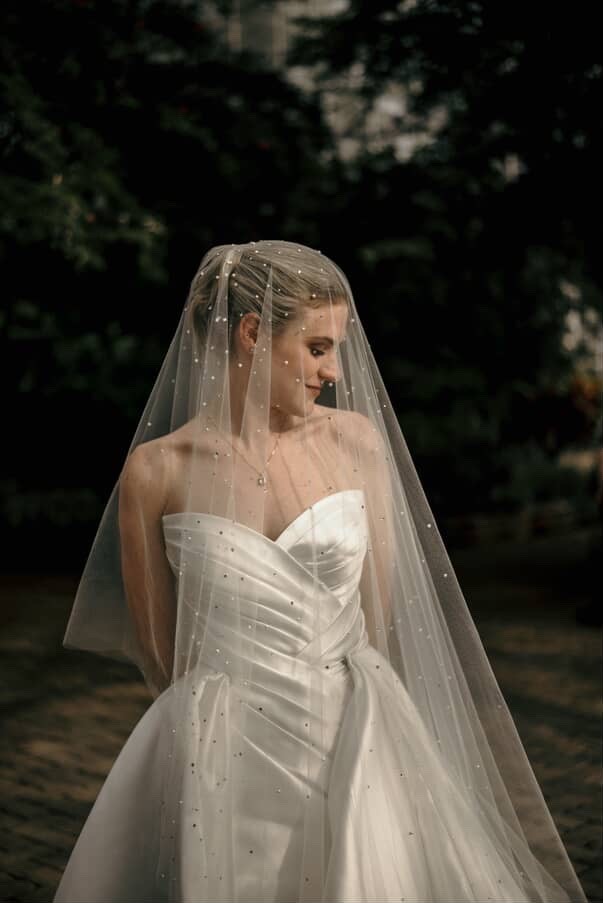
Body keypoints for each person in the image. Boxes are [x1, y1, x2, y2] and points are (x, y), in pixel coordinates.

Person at [53, 240, 587, 903]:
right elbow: (160, 652)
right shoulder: (156, 471)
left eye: (334, 348)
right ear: (251, 332)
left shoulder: (355, 441)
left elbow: (379, 605)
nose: (332, 370)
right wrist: (227, 721)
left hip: (357, 735)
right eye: (315, 347)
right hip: (223, 758)